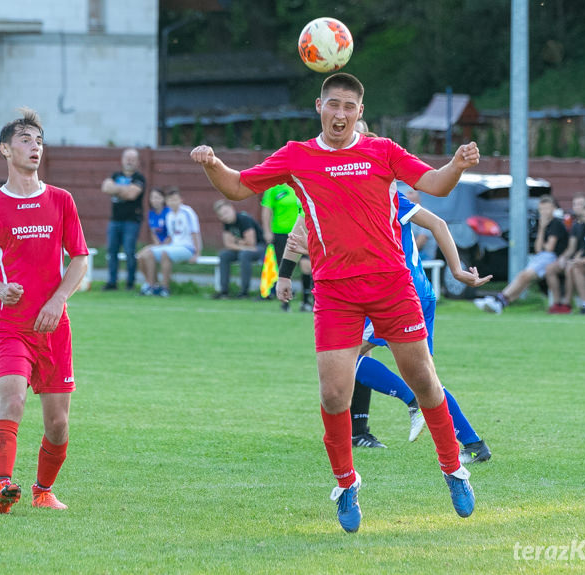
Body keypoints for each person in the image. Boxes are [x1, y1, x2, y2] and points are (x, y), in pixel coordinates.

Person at [191, 72, 481, 532]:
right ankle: (347, 484)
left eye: (349, 106)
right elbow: (238, 187)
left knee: (425, 382)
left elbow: (436, 183)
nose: (340, 113)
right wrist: (211, 163)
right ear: (319, 106)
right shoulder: (297, 155)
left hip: (392, 285)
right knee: (332, 393)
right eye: (333, 104)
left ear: (359, 113)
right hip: (335, 292)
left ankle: (454, 470)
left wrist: (458, 163)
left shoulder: (382, 150)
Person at [286, 186, 492, 464]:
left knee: (346, 357)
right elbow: (437, 223)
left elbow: (437, 223)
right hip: (419, 293)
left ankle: (411, 401)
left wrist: (457, 270)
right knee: (425, 377)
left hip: (398, 295)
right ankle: (474, 444)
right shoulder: (365, 198)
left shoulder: (385, 197)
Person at [0, 108, 89, 514]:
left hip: (54, 326)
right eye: (24, 139)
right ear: (5, 149)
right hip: (12, 325)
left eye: (38, 140)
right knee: (13, 400)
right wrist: (0, 287)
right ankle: (4, 485)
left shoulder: (61, 200)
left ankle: (42, 491)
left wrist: (58, 300)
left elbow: (79, 259)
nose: (34, 146)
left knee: (58, 424)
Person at [474, 195, 569, 314]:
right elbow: (538, 248)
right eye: (541, 209)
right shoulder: (543, 225)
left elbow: (549, 248)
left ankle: (499, 301)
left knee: (524, 276)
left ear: (554, 209)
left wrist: (543, 228)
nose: (544, 212)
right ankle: (500, 301)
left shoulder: (556, 224)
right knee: (524, 278)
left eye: (547, 209)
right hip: (542, 257)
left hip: (552, 258)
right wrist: (541, 228)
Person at [139, 187, 201, 297]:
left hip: (187, 248)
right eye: (170, 200)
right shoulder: (169, 215)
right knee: (146, 254)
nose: (172, 202)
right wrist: (159, 246)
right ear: (166, 202)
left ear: (181, 200)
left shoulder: (187, 212)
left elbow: (195, 232)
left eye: (175, 199)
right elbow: (171, 236)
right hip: (173, 246)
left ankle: (165, 288)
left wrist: (197, 253)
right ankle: (152, 286)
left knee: (165, 254)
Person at [261, 183, 313, 311]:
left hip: (303, 232)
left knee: (306, 265)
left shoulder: (302, 183)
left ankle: (306, 301)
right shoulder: (274, 187)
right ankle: (285, 302)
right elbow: (267, 210)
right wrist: (267, 231)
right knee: (283, 268)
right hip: (280, 233)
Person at [101, 148, 145, 291]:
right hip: (115, 220)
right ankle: (112, 282)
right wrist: (124, 189)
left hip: (132, 221)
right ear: (122, 160)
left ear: (138, 162)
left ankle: (130, 283)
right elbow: (105, 188)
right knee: (112, 251)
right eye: (127, 158)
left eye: (132, 158)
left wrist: (116, 189)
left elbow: (132, 195)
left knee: (129, 252)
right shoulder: (115, 175)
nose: (129, 161)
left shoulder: (140, 178)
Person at [212, 199, 266, 299]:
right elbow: (228, 244)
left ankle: (244, 292)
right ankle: (224, 291)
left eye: (226, 212)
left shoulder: (244, 219)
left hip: (260, 247)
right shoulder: (227, 223)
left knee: (244, 255)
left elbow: (251, 242)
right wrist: (241, 243)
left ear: (232, 209)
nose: (225, 216)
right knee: (224, 255)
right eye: (221, 215)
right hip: (244, 249)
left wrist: (236, 241)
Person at [545, 193, 585, 313]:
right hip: (573, 259)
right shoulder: (575, 225)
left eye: (581, 204)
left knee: (569, 268)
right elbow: (571, 248)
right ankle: (556, 303)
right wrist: (563, 257)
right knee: (550, 268)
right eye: (575, 204)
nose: (578, 207)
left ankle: (567, 304)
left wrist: (576, 257)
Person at [134, 187, 170, 294]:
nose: (155, 200)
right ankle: (151, 283)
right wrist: (156, 243)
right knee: (140, 256)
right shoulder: (151, 213)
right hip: (158, 244)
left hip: (169, 244)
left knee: (149, 255)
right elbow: (153, 231)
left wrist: (163, 244)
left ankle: (152, 285)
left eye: (158, 197)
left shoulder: (168, 212)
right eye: (152, 198)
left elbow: (172, 232)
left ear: (163, 199)